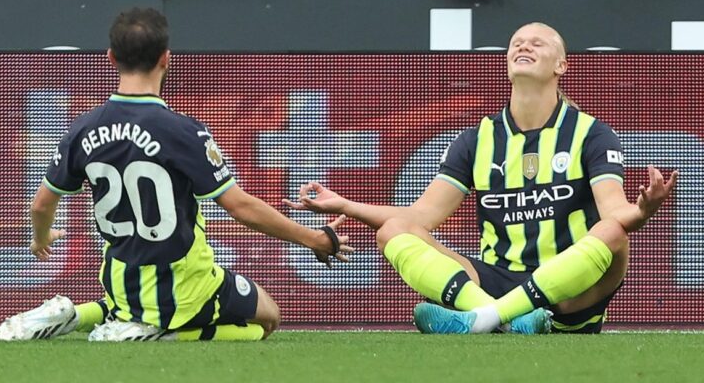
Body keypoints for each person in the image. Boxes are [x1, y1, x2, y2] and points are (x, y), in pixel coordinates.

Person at [285, 22, 678, 334]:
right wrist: (344, 205)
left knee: (612, 234)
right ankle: (498, 316)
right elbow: (422, 217)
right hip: (494, 279)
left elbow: (615, 211)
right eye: (517, 43)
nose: (524, 46)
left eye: (537, 43)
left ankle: (486, 319)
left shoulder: (591, 133)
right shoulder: (477, 139)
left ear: (561, 65)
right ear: (507, 61)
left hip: (568, 296)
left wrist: (643, 209)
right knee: (394, 231)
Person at [0, 7, 352, 342]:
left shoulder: (82, 129)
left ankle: (74, 314)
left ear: (111, 58)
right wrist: (314, 239)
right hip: (188, 285)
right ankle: (162, 334)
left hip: (120, 283)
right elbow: (241, 208)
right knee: (268, 318)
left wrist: (41, 239)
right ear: (166, 59)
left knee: (131, 302)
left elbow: (41, 205)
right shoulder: (183, 132)